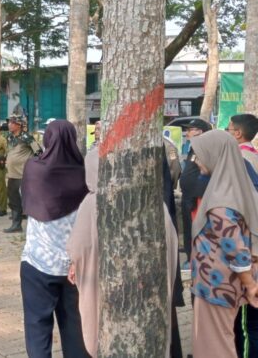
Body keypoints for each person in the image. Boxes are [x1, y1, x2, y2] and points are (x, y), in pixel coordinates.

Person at [67, 147, 179, 357]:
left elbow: (79, 247)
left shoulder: (92, 203)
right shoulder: (151, 198)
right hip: (150, 292)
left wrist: (76, 264)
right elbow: (171, 241)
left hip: (111, 296)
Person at [19, 120, 89, 358]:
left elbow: (23, 200)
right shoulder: (86, 174)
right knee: (76, 330)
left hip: (38, 262)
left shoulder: (34, 169)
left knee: (37, 328)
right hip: (74, 267)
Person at [188, 130, 258, 358]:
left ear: (215, 155)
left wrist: (250, 283)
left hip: (216, 285)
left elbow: (235, 247)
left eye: (199, 154)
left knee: (214, 346)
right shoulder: (237, 187)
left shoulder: (220, 200)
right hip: (223, 284)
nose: (196, 161)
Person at [227, 114, 258, 357]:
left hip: (250, 255)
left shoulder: (239, 160)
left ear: (238, 133)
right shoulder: (252, 157)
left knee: (248, 327)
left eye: (228, 129)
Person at [179, 118, 211, 265]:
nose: (187, 134)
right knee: (187, 229)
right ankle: (190, 257)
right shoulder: (193, 148)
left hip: (197, 198)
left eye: (190, 130)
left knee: (196, 230)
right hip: (187, 197)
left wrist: (196, 194)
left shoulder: (205, 149)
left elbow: (205, 173)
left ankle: (198, 259)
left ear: (200, 132)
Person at [4, 115, 42, 233]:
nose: (9, 125)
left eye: (11, 123)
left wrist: (31, 167)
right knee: (13, 200)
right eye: (9, 122)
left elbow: (39, 152)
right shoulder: (9, 137)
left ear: (19, 125)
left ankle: (34, 227)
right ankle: (16, 224)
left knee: (27, 200)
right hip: (11, 175)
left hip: (23, 175)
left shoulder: (27, 137)